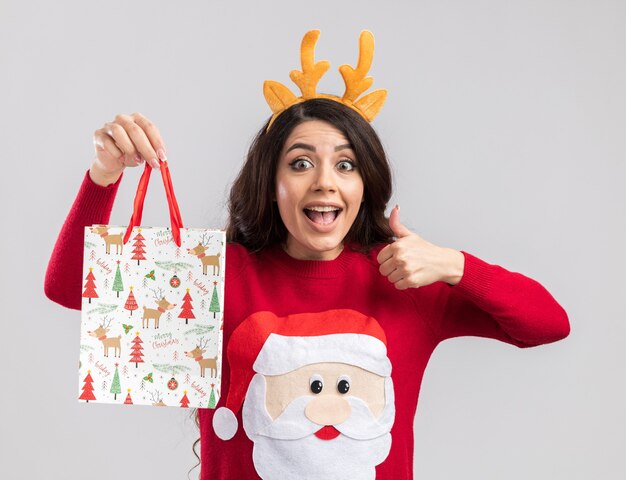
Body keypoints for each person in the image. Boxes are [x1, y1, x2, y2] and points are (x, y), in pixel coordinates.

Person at [45, 30, 570, 479]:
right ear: (271, 183)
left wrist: (455, 266)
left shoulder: (404, 278)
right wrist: (104, 175)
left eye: (346, 165)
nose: (324, 182)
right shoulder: (216, 277)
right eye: (300, 164)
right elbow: (69, 289)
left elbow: (548, 323)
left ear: (366, 183)